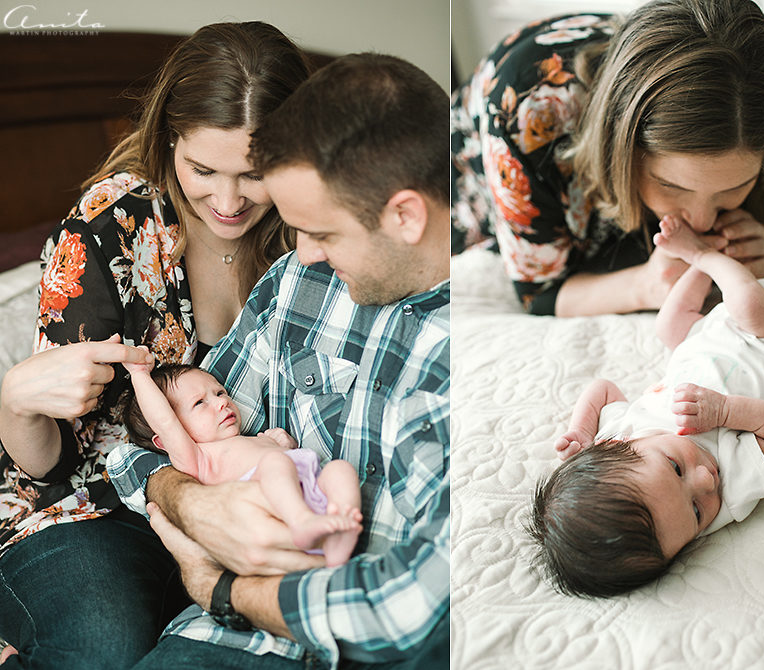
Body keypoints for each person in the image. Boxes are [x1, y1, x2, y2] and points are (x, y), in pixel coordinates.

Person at [106, 52, 451, 669]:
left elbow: (409, 613)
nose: (302, 253)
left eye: (323, 232)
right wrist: (193, 502)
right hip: (224, 642)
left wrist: (220, 588)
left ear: (405, 215)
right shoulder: (298, 283)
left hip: (339, 639)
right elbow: (144, 447)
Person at [0, 22, 313, 668]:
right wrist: (15, 402)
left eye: (254, 173)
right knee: (107, 643)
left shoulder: (310, 231)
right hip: (96, 509)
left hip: (244, 494)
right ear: (170, 138)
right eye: (203, 169)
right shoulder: (108, 226)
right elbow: (52, 466)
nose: (228, 201)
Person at [528, 214, 764, 597]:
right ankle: (706, 256)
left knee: (667, 326)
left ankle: (705, 256)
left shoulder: (622, 434)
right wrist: (724, 412)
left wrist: (581, 430)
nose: (706, 481)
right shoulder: (734, 487)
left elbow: (602, 389)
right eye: (697, 512)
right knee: (748, 304)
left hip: (704, 342)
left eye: (676, 467)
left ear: (614, 444)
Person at [451, 0, 764, 316]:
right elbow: (539, 294)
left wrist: (751, 247)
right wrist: (644, 286)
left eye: (732, 188)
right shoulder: (526, 110)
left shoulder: (746, 108)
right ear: (622, 144)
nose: (702, 221)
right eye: (671, 186)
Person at [122, 360, 363, 566]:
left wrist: (284, 444)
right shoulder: (198, 458)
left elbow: (291, 467)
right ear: (165, 442)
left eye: (219, 393)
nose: (222, 402)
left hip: (314, 494)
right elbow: (164, 421)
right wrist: (139, 374)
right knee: (275, 463)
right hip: (276, 517)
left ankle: (341, 530)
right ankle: (303, 523)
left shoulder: (256, 439)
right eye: (199, 403)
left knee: (340, 469)